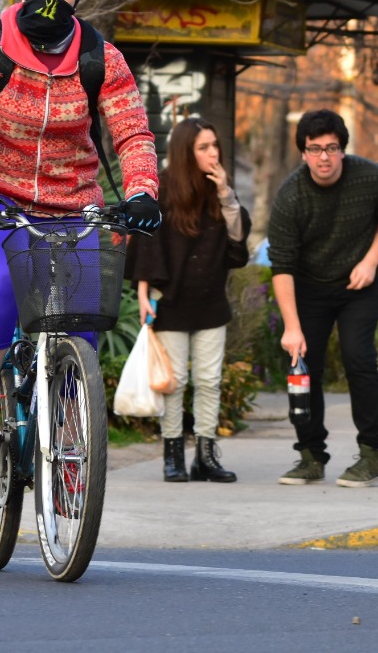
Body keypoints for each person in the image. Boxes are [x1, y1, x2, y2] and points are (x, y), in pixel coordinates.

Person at [0, 0, 161, 445]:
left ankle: (71, 443)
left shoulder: (101, 58)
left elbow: (132, 132)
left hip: (74, 203)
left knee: (81, 320)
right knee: (7, 281)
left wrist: (143, 190)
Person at [267, 109, 378, 487]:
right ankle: (311, 456)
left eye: (331, 148)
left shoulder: (370, 176)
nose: (324, 157)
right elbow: (281, 266)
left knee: (358, 356)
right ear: (303, 153)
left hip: (360, 283)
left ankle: (372, 453)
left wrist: (371, 261)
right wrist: (291, 328)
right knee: (302, 363)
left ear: (342, 150)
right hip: (310, 287)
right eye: (315, 149)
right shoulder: (291, 196)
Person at [126, 117, 251, 483]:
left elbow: (238, 241)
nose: (214, 153)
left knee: (210, 379)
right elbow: (147, 242)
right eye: (204, 147)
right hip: (172, 300)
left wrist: (227, 194)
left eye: (215, 146)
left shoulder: (220, 189)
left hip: (210, 300)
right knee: (174, 380)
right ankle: (173, 454)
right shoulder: (162, 189)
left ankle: (207, 456)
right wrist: (143, 294)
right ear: (186, 152)